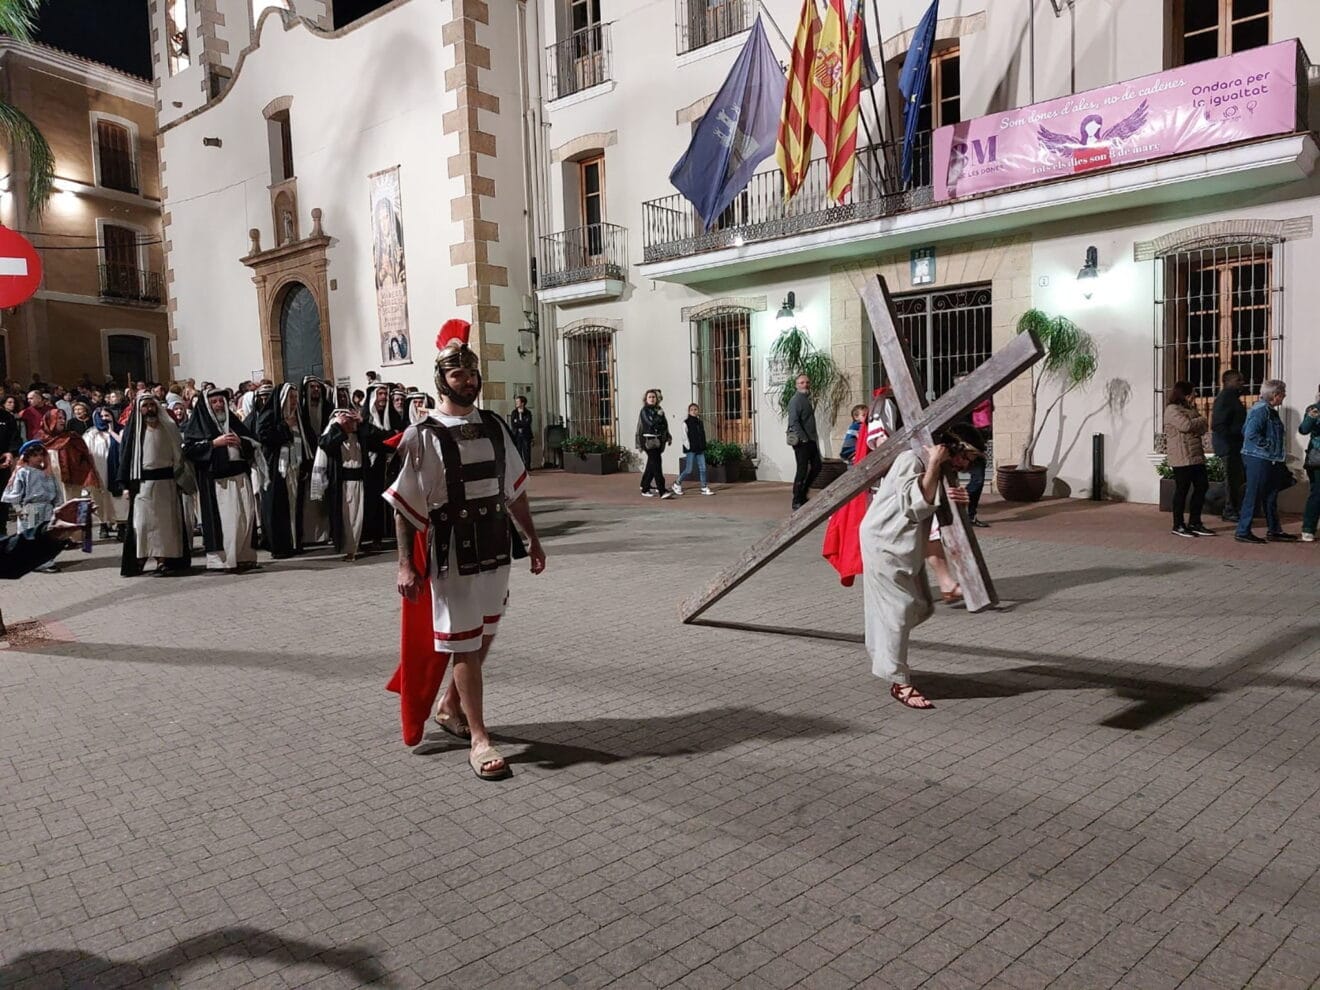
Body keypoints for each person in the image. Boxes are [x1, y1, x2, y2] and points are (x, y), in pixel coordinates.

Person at [384, 319, 546, 780]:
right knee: (465, 645)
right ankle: (479, 738)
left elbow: (514, 491)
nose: (468, 380)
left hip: (495, 545)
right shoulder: (423, 436)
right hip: (451, 552)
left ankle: (451, 705)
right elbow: (403, 504)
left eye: (472, 372)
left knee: (485, 632)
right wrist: (404, 565)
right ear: (441, 379)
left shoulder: (495, 427)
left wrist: (533, 539)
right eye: (458, 374)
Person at [861, 425, 982, 710]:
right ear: (953, 447)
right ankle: (899, 681)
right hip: (884, 541)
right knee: (899, 611)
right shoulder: (911, 460)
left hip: (904, 544)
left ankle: (884, 647)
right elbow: (916, 505)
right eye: (967, 457)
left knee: (921, 605)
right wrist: (933, 466)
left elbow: (937, 509)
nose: (967, 465)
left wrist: (958, 501)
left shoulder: (936, 467)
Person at [184, 387, 260, 572]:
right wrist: (214, 444)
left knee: (246, 518)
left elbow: (254, 442)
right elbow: (189, 449)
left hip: (240, 477)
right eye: (214, 402)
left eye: (221, 401)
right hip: (218, 483)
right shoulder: (198, 425)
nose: (219, 405)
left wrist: (241, 442)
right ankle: (226, 560)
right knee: (228, 522)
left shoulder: (234, 423)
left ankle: (244, 557)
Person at [119, 393, 191, 577]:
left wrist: (181, 479)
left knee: (166, 526)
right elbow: (125, 458)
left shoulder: (169, 427)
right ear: (139, 409)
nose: (149, 409)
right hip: (143, 485)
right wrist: (126, 485)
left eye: (152, 405)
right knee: (142, 524)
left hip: (166, 484)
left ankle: (163, 561)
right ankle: (140, 560)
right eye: (145, 406)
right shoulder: (133, 432)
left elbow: (179, 456)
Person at [313, 408, 391, 561]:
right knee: (346, 518)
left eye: (352, 421)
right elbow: (324, 443)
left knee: (357, 517)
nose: (350, 424)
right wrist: (337, 427)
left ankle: (353, 548)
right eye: (347, 421)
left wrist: (363, 423)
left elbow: (384, 440)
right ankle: (349, 549)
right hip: (343, 484)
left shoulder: (361, 436)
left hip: (360, 483)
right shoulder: (335, 436)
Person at [1235, 379, 1293, 544]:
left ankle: (1274, 530)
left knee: (1271, 495)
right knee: (1253, 494)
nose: (1285, 396)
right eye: (1283, 393)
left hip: (1269, 459)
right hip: (1258, 458)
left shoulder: (1268, 410)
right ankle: (1243, 530)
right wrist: (1269, 446)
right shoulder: (1261, 411)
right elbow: (1250, 433)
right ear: (1275, 395)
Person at [253, 383, 306, 559]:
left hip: (294, 466)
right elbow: (263, 437)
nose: (294, 401)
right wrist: (285, 426)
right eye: (291, 397)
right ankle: (280, 545)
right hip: (276, 468)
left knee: (293, 505)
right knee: (276, 506)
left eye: (295, 397)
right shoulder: (269, 415)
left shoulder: (297, 415)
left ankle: (294, 542)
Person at [1164, 381, 1214, 538]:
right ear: (1184, 394)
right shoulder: (1172, 410)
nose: (1195, 395)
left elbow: (1203, 426)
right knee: (1182, 490)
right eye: (1193, 392)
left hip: (1196, 455)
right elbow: (1186, 425)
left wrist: (1198, 421)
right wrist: (1200, 420)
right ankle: (1178, 524)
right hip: (1182, 456)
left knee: (1202, 486)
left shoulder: (1190, 409)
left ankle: (1195, 522)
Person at [3, 441, 62, 572]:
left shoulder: (47, 473)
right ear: (27, 457)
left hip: (47, 509)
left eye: (41, 455)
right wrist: (18, 508)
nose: (39, 458)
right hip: (30, 509)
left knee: (46, 535)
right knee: (31, 536)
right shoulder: (23, 472)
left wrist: (58, 508)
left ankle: (45, 559)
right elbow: (15, 493)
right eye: (35, 455)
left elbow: (57, 493)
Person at [0, 498, 93, 580]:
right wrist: (19, 510)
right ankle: (43, 565)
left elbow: (7, 556)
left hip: (47, 509)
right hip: (31, 509)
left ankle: (46, 562)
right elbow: (13, 495)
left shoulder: (50, 478)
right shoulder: (23, 477)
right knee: (30, 528)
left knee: (40, 531)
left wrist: (50, 534)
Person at [38, 408, 101, 506]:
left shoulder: (72, 437)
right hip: (47, 480)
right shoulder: (39, 440)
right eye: (59, 418)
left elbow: (84, 458)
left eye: (64, 418)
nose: (63, 421)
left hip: (71, 481)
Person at [298, 377, 333, 545]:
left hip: (324, 454)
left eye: (318, 387)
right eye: (312, 387)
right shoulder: (300, 409)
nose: (315, 390)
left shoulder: (328, 408)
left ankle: (324, 534)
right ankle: (308, 536)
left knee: (323, 495)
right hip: (307, 456)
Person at [1212, 370, 1248, 522]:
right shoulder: (1226, 397)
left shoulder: (1233, 398)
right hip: (1229, 446)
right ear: (1227, 382)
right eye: (1238, 380)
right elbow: (1218, 424)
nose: (1242, 382)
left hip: (1234, 446)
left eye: (1242, 379)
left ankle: (1231, 508)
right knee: (1232, 480)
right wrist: (1235, 437)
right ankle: (1228, 509)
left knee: (1236, 479)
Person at [83, 408, 124, 539]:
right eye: (101, 416)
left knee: (117, 499)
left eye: (107, 415)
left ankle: (121, 524)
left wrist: (112, 432)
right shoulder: (91, 434)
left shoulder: (119, 430)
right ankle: (103, 524)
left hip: (115, 471)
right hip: (98, 471)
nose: (104, 418)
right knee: (99, 499)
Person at [787, 374, 821, 510]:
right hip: (802, 442)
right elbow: (793, 422)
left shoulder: (806, 399)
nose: (805, 385)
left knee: (817, 466)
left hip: (810, 440)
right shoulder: (795, 401)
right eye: (801, 383)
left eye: (807, 382)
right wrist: (804, 438)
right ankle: (796, 499)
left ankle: (803, 494)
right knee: (802, 470)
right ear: (796, 385)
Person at [635, 388, 672, 498]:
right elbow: (650, 424)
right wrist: (658, 417)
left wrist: (668, 436)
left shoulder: (659, 409)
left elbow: (664, 425)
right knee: (657, 465)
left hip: (658, 440)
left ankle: (645, 486)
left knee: (652, 464)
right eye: (650, 397)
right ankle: (662, 490)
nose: (652, 399)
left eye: (653, 397)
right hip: (648, 441)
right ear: (646, 399)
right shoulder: (644, 411)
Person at [671, 403, 713, 496]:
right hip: (691, 449)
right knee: (688, 469)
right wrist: (689, 447)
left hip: (700, 449)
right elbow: (684, 436)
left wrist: (703, 445)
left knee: (703, 468)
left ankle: (704, 487)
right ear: (689, 411)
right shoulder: (686, 422)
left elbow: (702, 435)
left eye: (695, 409)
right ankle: (677, 483)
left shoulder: (700, 422)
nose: (694, 411)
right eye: (692, 410)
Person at [966, 387, 993, 528]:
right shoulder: (966, 401)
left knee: (978, 479)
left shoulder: (986, 394)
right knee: (978, 479)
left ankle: (970, 514)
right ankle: (964, 509)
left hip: (981, 438)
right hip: (972, 442)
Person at [1301, 389, 1320, 543]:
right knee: (1317, 493)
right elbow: (1303, 429)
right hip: (1317, 458)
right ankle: (1308, 528)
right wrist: (1312, 416)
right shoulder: (1314, 409)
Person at [0, 396, 20, 535]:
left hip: (3, 464)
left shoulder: (6, 417)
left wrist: (10, 453)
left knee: (2, 499)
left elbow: (15, 438)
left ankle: (2, 532)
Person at [510, 395, 534, 470]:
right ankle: (519, 467)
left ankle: (527, 467)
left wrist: (519, 422)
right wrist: (522, 423)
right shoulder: (514, 412)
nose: (516, 403)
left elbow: (527, 423)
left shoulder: (528, 412)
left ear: (522, 403)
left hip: (526, 434)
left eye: (518, 402)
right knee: (518, 451)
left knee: (526, 451)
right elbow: (513, 424)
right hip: (517, 435)